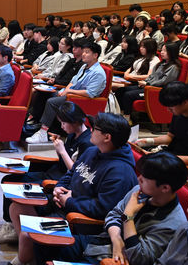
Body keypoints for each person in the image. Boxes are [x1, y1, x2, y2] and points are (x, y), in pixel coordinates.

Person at [9, 113, 138, 265]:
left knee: (28, 234)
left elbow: (103, 209)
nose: (90, 130)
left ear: (107, 137)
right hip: (65, 203)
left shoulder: (120, 172)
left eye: (94, 129)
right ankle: (29, 254)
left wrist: (69, 201)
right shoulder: (92, 151)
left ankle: (26, 256)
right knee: (17, 207)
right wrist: (59, 186)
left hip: (79, 218)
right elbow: (71, 173)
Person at [0, 102, 93, 244]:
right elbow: (63, 161)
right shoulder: (72, 134)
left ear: (75, 121)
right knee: (9, 179)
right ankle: (11, 223)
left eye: (64, 123)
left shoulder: (88, 143)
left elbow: (77, 173)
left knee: (15, 185)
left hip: (60, 180)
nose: (62, 126)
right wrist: (60, 150)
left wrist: (62, 151)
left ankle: (14, 228)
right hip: (53, 172)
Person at [82, 152, 188, 265]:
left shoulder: (173, 224)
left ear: (165, 188)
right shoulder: (139, 191)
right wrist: (116, 239)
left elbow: (140, 258)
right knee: (61, 244)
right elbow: (114, 214)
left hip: (113, 259)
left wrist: (128, 216)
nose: (139, 179)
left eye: (145, 178)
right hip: (100, 242)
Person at [26, 42, 107, 144]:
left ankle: (42, 132)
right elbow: (73, 81)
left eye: (87, 52)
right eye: (84, 52)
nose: (83, 54)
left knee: (52, 102)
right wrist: (65, 91)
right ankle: (36, 124)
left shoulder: (98, 72)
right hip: (71, 95)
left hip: (83, 100)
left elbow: (90, 93)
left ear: (95, 55)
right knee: (43, 93)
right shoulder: (84, 67)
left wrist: (69, 92)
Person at [134, 81, 188, 167]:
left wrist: (162, 157)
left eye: (171, 106)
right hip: (174, 154)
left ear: (185, 102)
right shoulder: (179, 113)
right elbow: (169, 137)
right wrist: (147, 141)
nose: (168, 110)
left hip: (185, 162)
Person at [118, 42, 181, 115]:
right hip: (148, 86)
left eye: (165, 51)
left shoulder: (174, 67)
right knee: (121, 90)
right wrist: (145, 82)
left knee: (128, 95)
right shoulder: (161, 64)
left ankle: (127, 117)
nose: (162, 53)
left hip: (157, 91)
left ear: (172, 52)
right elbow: (151, 76)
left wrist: (147, 83)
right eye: (162, 50)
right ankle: (120, 113)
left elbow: (164, 81)